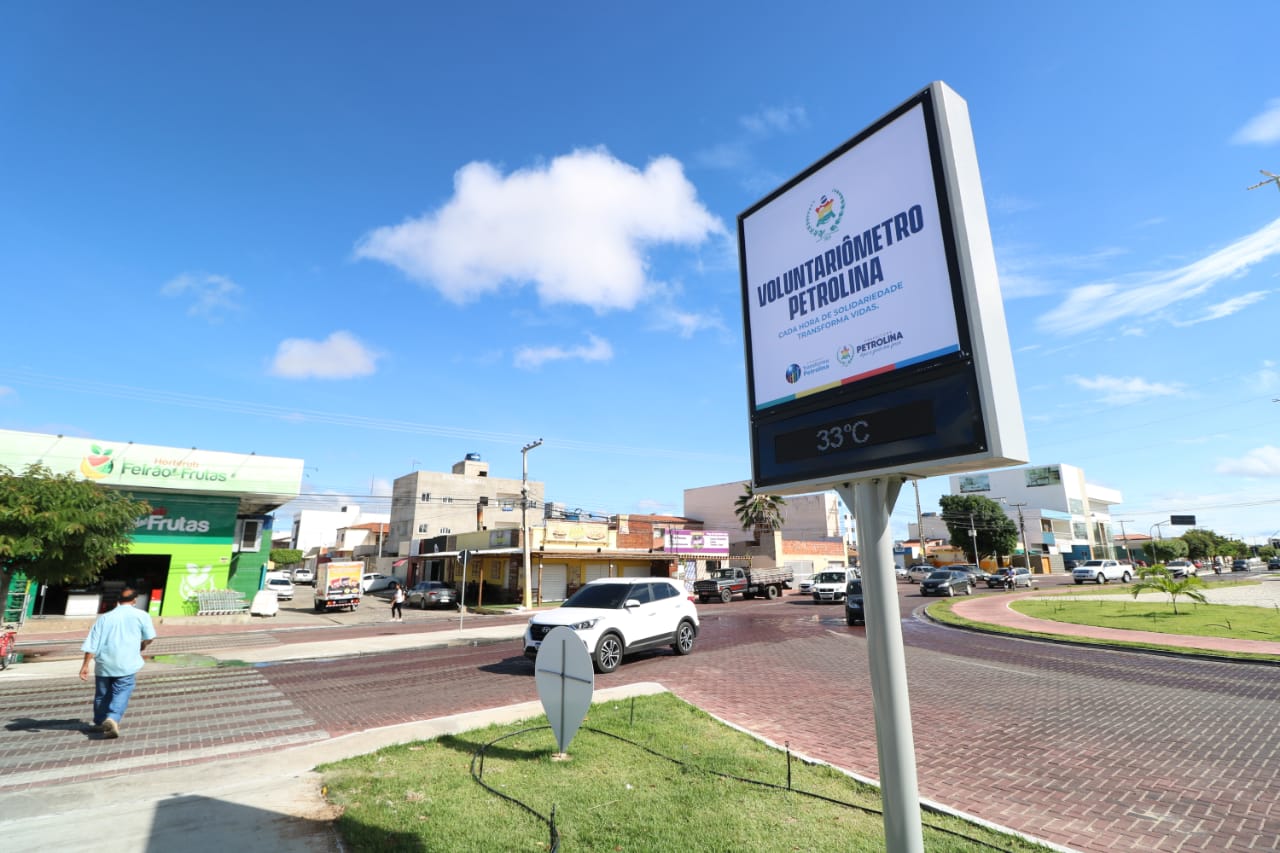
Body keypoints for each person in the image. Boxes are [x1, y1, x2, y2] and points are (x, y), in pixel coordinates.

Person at [79, 587, 157, 739]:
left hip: (104, 663)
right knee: (122, 691)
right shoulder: (142, 615)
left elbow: (92, 644)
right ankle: (113, 718)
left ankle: (100, 722)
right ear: (135, 600)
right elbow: (149, 637)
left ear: (118, 600)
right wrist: (143, 644)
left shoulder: (105, 618)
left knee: (102, 694)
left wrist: (85, 665)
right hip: (126, 663)